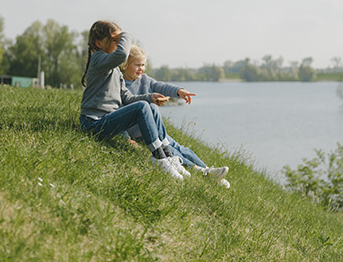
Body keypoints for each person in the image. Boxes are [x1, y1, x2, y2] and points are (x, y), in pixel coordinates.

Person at [79, 20, 185, 180]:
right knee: (141, 107)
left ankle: (168, 157)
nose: (119, 43)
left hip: (106, 121)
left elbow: (127, 98)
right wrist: (126, 34)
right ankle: (159, 159)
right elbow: (122, 54)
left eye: (119, 39)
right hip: (93, 123)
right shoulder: (98, 59)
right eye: (115, 40)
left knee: (146, 105)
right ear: (98, 43)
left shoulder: (114, 70)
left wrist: (151, 97)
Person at [121, 45, 230, 188]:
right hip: (142, 135)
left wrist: (179, 91)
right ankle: (201, 172)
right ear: (125, 64)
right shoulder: (121, 85)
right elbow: (116, 111)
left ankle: (209, 170)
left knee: (179, 147)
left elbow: (161, 86)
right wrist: (126, 138)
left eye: (143, 65)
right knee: (173, 151)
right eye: (137, 65)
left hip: (157, 130)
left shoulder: (144, 80)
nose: (141, 68)